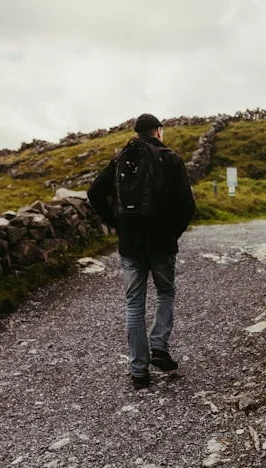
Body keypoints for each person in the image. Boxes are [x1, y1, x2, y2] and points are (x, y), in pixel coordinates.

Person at [88, 113, 196, 390]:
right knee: (165, 292)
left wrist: (117, 224)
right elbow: (188, 205)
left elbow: (94, 193)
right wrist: (172, 232)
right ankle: (159, 345)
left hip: (131, 244)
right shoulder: (171, 159)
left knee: (134, 304)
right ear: (158, 131)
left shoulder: (121, 159)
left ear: (137, 134)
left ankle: (139, 372)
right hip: (161, 242)